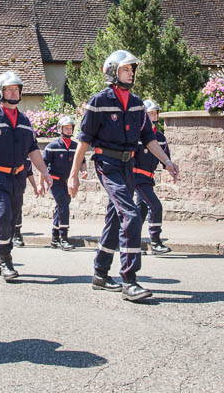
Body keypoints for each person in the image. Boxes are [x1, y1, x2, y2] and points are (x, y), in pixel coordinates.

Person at [68, 50, 179, 302]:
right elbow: (83, 140)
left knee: (115, 219)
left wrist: (167, 161)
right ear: (112, 72)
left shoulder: (138, 103)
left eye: (132, 69)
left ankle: (100, 273)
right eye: (126, 69)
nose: (131, 73)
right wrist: (74, 173)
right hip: (107, 164)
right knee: (131, 215)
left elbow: (149, 138)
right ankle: (130, 280)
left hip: (128, 165)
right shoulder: (99, 101)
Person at [0, 71, 51, 282]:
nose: (14, 93)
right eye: (9, 89)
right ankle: (6, 259)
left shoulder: (25, 121)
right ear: (0, 92)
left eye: (17, 89)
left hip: (17, 179)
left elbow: (33, 150)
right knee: (4, 214)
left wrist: (44, 171)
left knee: (13, 218)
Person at [41, 116, 87, 251]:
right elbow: (43, 166)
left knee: (62, 206)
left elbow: (82, 161)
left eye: (70, 128)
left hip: (68, 182)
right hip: (54, 181)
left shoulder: (75, 147)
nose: (68, 130)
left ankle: (55, 238)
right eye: (66, 128)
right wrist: (40, 184)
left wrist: (83, 172)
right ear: (60, 129)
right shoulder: (52, 146)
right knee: (63, 205)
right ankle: (64, 238)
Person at [134, 99, 172, 255]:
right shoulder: (137, 134)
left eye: (155, 113)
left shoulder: (161, 137)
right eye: (149, 113)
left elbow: (165, 157)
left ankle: (131, 242)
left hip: (148, 179)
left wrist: (170, 167)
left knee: (139, 212)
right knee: (155, 206)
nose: (153, 116)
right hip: (136, 178)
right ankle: (155, 242)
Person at [11, 158, 40, 247]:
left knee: (17, 212)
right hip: (6, 189)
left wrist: (35, 187)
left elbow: (29, 173)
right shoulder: (9, 156)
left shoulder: (27, 161)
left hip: (19, 190)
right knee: (4, 212)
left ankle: (17, 235)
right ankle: (3, 235)